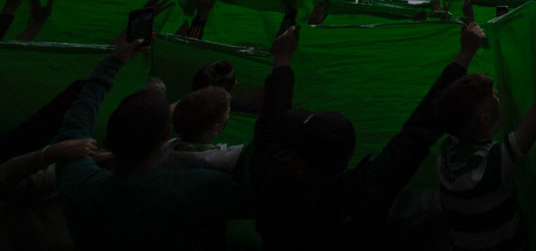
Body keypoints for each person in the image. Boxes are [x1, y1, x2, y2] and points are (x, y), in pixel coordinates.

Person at [250, 19, 488, 250]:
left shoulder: (269, 171)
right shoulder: (365, 191)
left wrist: (281, 60)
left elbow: (271, 120)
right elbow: (419, 131)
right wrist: (464, 55)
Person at [54, 34, 236, 248]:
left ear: (108, 141)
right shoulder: (205, 186)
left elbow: (78, 118)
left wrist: (113, 62)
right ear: (166, 133)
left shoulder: (78, 183)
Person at [435, 0, 536, 250]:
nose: (497, 93)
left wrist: (469, 21)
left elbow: (457, 103)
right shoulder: (493, 165)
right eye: (493, 97)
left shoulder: (447, 153)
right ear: (483, 120)